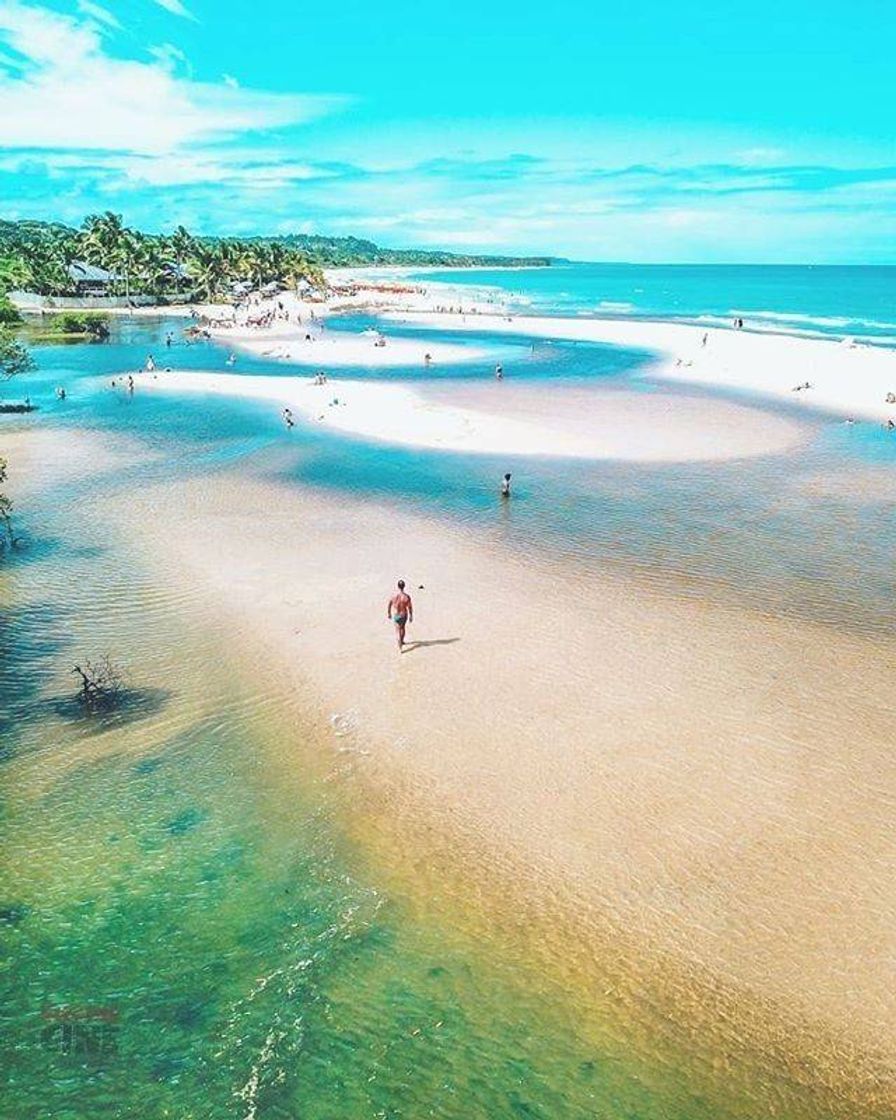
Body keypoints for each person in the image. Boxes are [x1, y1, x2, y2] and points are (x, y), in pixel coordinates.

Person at [387, 579, 413, 650]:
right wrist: (411, 616)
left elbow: (389, 604)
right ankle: (402, 641)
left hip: (396, 615)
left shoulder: (393, 596)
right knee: (402, 628)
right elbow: (410, 607)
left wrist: (389, 613)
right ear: (404, 586)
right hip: (404, 615)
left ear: (398, 586)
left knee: (397, 629)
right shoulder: (406, 597)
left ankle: (399, 643)